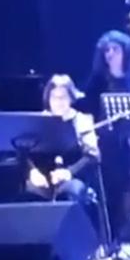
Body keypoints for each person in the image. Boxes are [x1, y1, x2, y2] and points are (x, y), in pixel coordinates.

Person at [80, 29, 130, 243]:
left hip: (128, 147)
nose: (109, 54)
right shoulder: (98, 81)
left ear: (125, 52)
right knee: (109, 194)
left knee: (129, 193)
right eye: (106, 50)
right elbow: (86, 109)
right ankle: (108, 241)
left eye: (115, 49)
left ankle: (128, 239)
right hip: (105, 146)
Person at [26, 75, 101, 205]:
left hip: (72, 177)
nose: (58, 102)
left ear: (71, 98)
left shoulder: (82, 120)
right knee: (29, 194)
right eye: (54, 97)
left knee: (71, 192)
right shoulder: (40, 120)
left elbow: (93, 157)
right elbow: (25, 153)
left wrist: (69, 172)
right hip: (44, 179)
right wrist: (33, 171)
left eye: (63, 97)